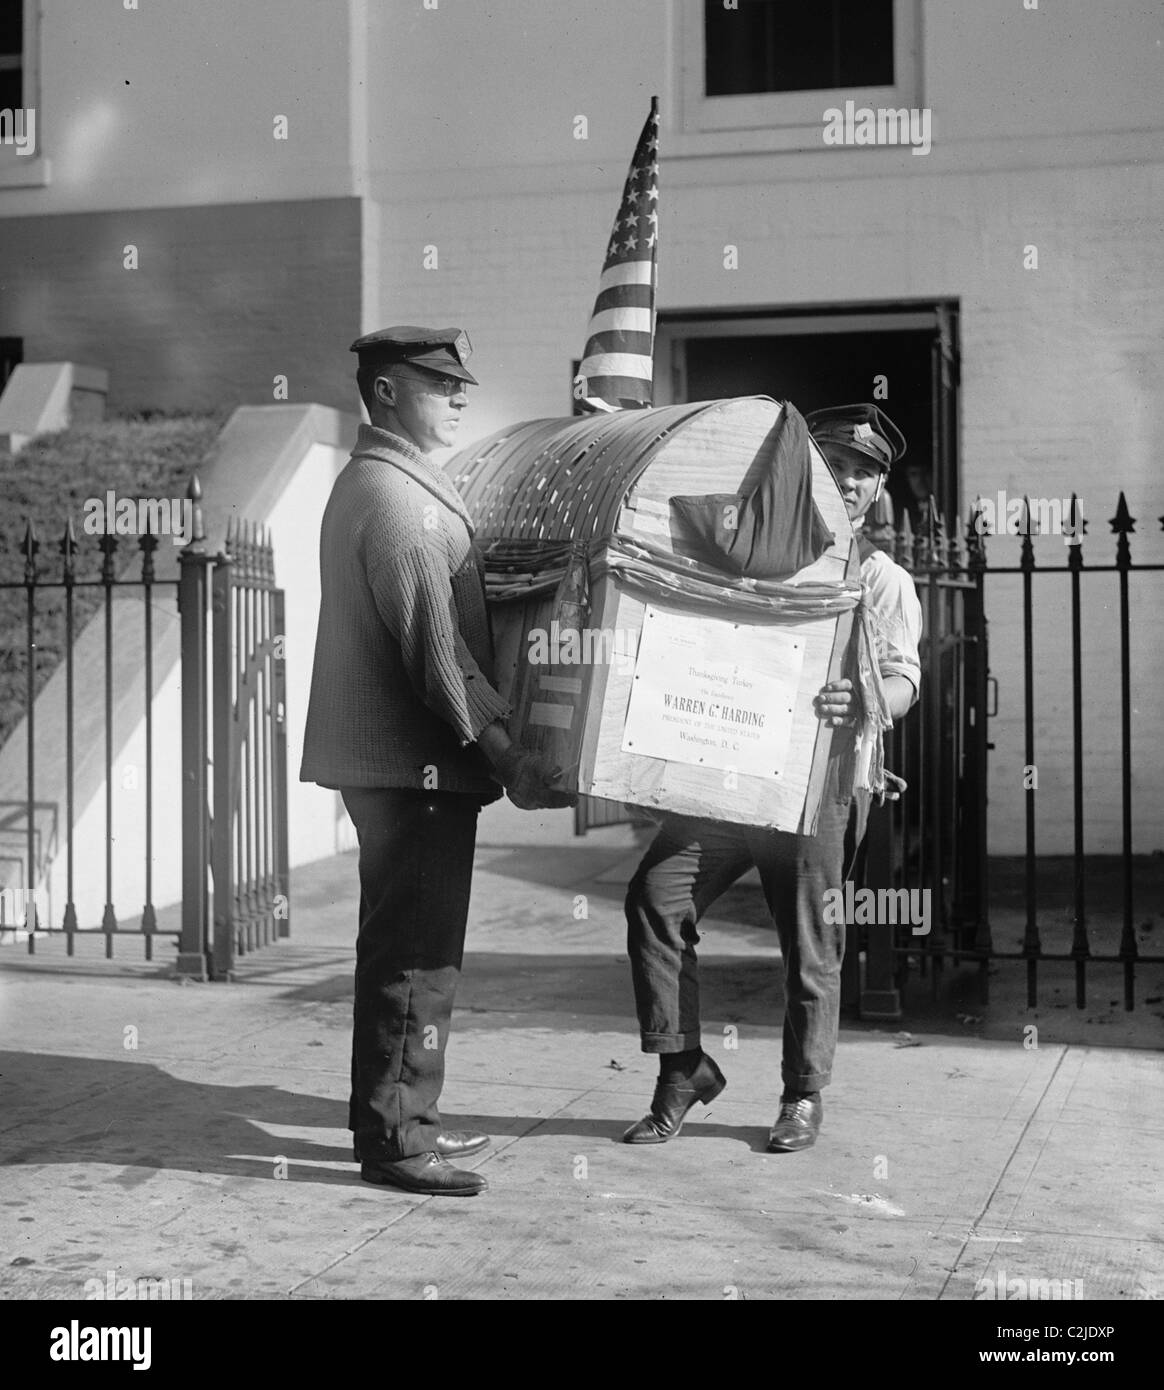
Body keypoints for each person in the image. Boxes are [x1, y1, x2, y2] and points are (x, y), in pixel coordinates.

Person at [300, 326, 574, 1197]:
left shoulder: (391, 486)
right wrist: (508, 752)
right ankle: (397, 1138)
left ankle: (398, 1124)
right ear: (385, 393)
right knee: (417, 959)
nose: (460, 397)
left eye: (462, 384)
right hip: (409, 770)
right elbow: (439, 654)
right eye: (437, 384)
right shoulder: (398, 500)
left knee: (405, 949)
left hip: (395, 769)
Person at [621, 402, 922, 1153]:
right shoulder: (754, 550)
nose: (849, 482)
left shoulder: (882, 579)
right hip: (727, 778)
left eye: (864, 472)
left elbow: (905, 680)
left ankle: (803, 1096)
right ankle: (681, 1066)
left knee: (809, 942)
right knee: (656, 899)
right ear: (809, 471)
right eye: (836, 466)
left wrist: (864, 701)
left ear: (878, 490)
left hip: (818, 788)